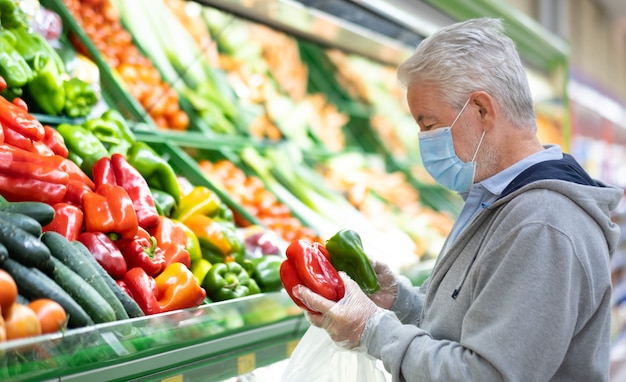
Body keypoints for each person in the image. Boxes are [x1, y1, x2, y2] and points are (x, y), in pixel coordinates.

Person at [292, 17, 623, 381]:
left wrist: (373, 331)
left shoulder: (543, 224)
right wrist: (399, 303)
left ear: (482, 109)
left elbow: (487, 375)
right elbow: (472, 331)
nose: (423, 140)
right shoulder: (497, 199)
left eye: (428, 124)